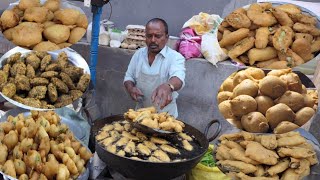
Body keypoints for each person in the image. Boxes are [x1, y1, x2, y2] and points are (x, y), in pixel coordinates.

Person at [124, 18, 186, 118]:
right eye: (149, 36)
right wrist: (131, 88)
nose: (153, 40)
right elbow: (128, 77)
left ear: (166, 37)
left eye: (158, 36)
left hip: (165, 117)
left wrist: (168, 86)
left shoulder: (175, 57)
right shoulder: (138, 55)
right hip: (140, 115)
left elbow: (178, 78)